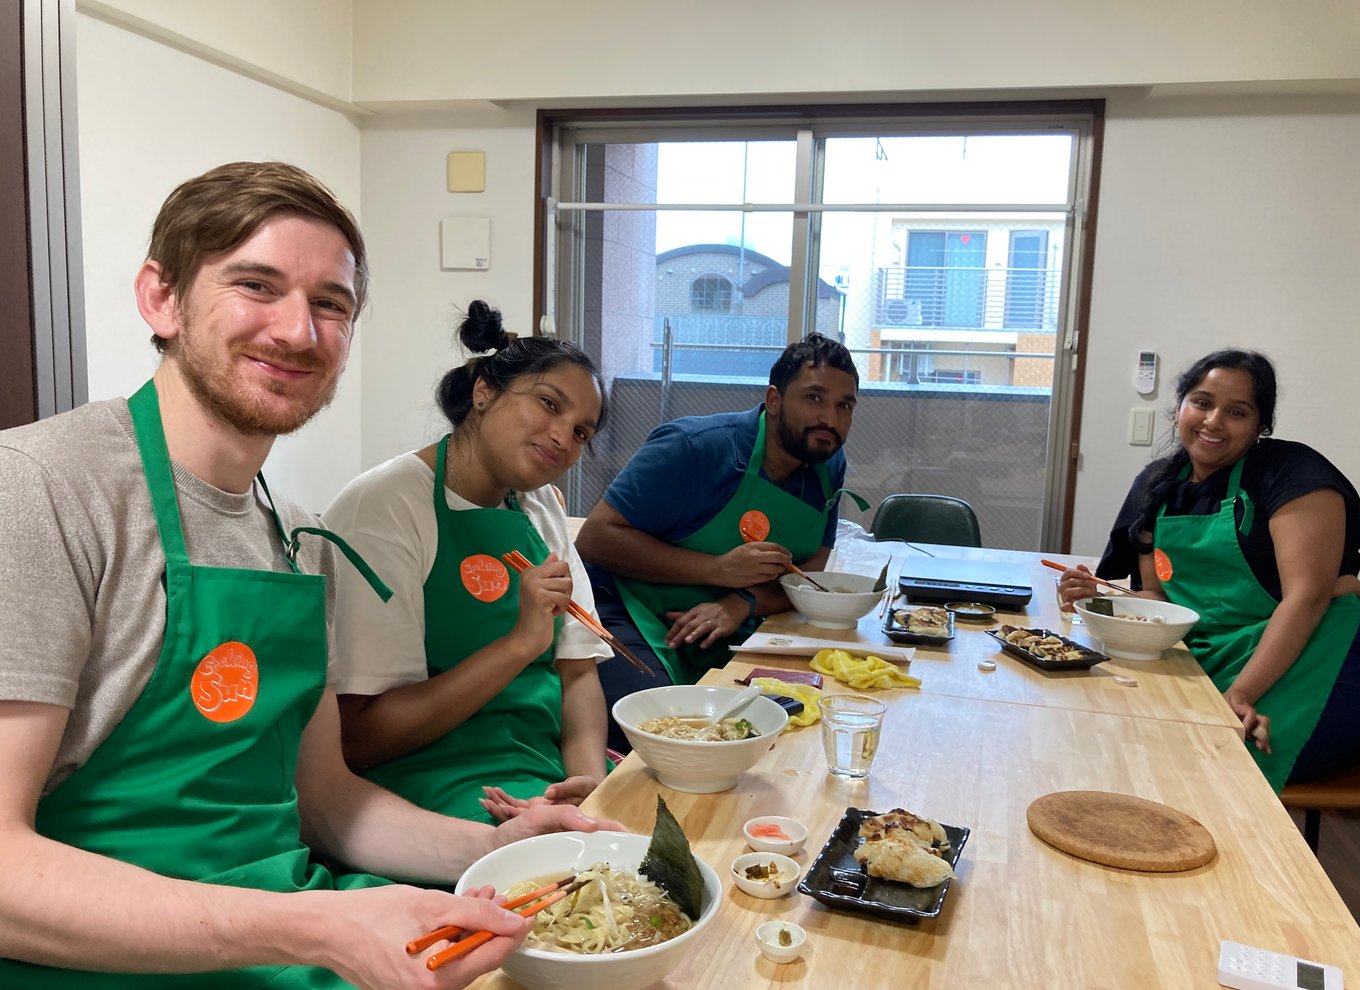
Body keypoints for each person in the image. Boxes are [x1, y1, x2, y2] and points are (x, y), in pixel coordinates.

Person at [0, 162, 618, 990]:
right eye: (257, 285)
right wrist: (318, 924)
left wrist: (490, 849)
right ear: (161, 298)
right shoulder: (43, 487)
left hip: (281, 932)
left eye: (331, 303)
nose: (299, 331)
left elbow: (328, 798)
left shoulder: (298, 538)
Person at [324, 301, 612, 826]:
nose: (562, 437)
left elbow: (577, 672)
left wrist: (588, 788)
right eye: (549, 404)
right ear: (484, 392)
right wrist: (520, 644)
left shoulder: (539, 505)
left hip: (540, 767)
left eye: (580, 433)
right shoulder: (384, 507)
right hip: (424, 783)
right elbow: (362, 737)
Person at [1059, 349, 1360, 792]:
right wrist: (1099, 600)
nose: (1214, 421)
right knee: (1123, 737)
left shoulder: (1294, 475)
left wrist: (1241, 694)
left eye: (1237, 412)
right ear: (1180, 406)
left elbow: (1308, 599)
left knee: (1212, 762)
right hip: (1211, 652)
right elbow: (1158, 599)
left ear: (1261, 426)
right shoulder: (1156, 485)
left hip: (1315, 655)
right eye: (1202, 402)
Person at [576, 333, 864, 752]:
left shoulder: (826, 462)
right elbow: (595, 539)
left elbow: (815, 563)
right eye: (814, 398)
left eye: (845, 405)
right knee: (656, 732)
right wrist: (716, 571)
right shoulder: (695, 449)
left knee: (782, 722)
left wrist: (742, 601)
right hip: (623, 606)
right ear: (774, 400)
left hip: (722, 621)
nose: (831, 419)